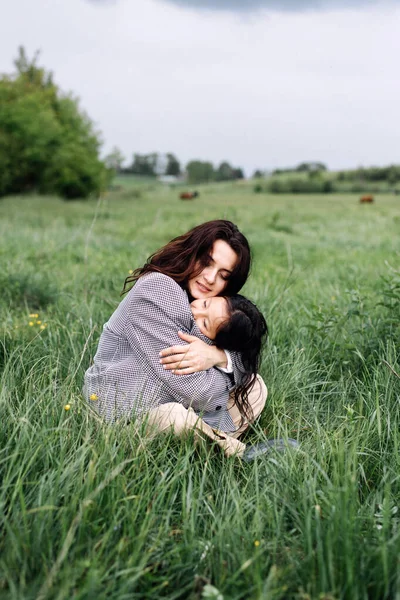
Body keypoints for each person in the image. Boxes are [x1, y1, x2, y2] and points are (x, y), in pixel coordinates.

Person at [83, 220, 295, 458]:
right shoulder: (157, 288)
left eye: (223, 275)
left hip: (173, 401)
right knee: (175, 416)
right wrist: (222, 370)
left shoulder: (214, 308)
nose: (210, 278)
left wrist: (218, 356)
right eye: (206, 263)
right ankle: (235, 452)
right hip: (123, 417)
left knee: (255, 387)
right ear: (191, 253)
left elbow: (243, 350)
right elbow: (196, 390)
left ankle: (197, 445)